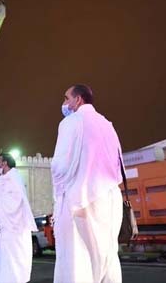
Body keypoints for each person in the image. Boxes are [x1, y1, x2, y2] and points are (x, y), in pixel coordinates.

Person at [51, 85, 123, 283]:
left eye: (67, 98)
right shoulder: (107, 124)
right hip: (110, 196)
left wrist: (58, 198)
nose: (64, 103)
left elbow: (59, 166)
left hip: (81, 199)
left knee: (76, 258)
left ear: (78, 100)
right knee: (107, 257)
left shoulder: (71, 122)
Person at [0, 153, 38, 283]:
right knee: (4, 256)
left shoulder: (13, 177)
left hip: (14, 226)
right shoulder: (6, 178)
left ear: (4, 163)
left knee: (12, 256)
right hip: (7, 227)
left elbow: (17, 200)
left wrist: (1, 202)